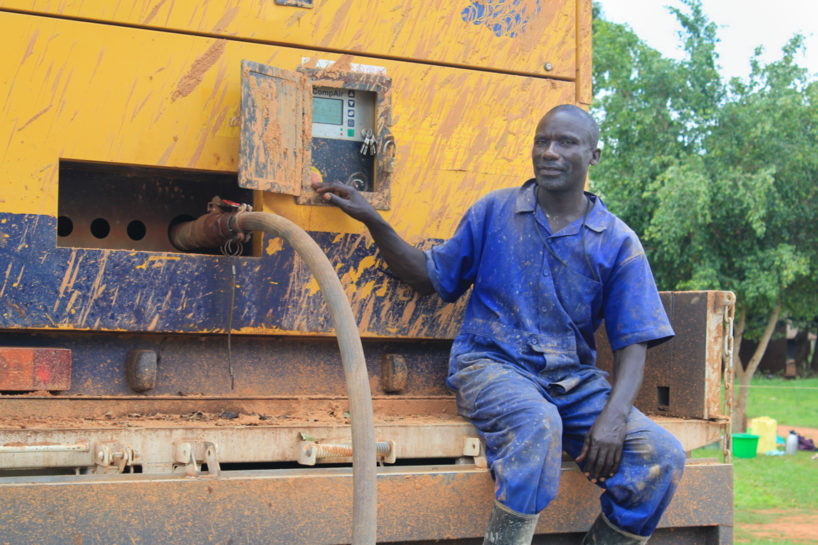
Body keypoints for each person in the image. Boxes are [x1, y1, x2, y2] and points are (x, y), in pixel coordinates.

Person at [312, 104, 686, 545]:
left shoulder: (618, 241)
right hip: (491, 367)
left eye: (566, 142)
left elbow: (634, 343)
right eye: (542, 141)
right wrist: (373, 219)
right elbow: (430, 276)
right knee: (537, 425)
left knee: (661, 456)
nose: (549, 152)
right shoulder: (494, 211)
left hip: (573, 383)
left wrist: (614, 419)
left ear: (594, 156)